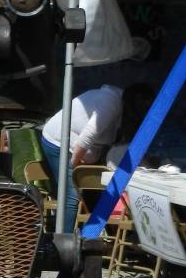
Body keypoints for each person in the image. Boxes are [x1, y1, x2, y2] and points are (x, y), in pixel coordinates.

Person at [40, 82, 154, 231]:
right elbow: (86, 138)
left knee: (94, 195)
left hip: (79, 152)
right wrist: (74, 165)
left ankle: (89, 237)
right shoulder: (110, 104)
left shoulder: (120, 107)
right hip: (59, 142)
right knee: (71, 197)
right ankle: (63, 244)